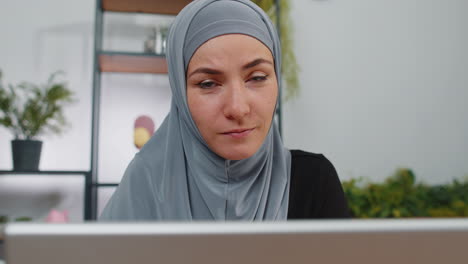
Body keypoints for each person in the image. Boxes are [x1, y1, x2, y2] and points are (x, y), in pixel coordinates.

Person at [100, 0, 350, 221]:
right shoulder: (145, 185)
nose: (238, 108)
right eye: (208, 84)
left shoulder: (313, 182)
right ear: (179, 92)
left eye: (257, 77)